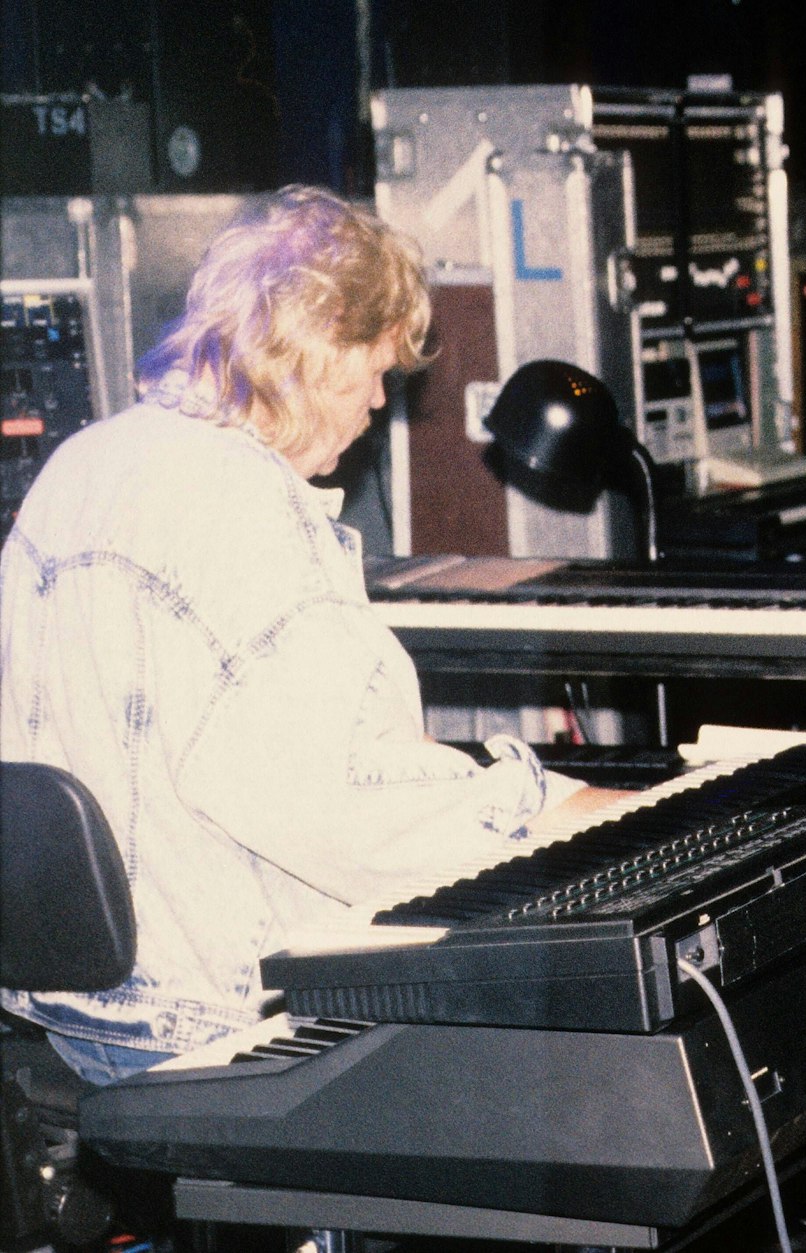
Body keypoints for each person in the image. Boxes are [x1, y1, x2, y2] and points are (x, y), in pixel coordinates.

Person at [0, 187, 624, 1085]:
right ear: (316, 336)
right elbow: (340, 808)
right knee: (578, 1081)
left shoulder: (86, 460)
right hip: (211, 1014)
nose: (380, 400)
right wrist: (554, 810)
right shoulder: (245, 508)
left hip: (69, 1009)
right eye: (374, 366)